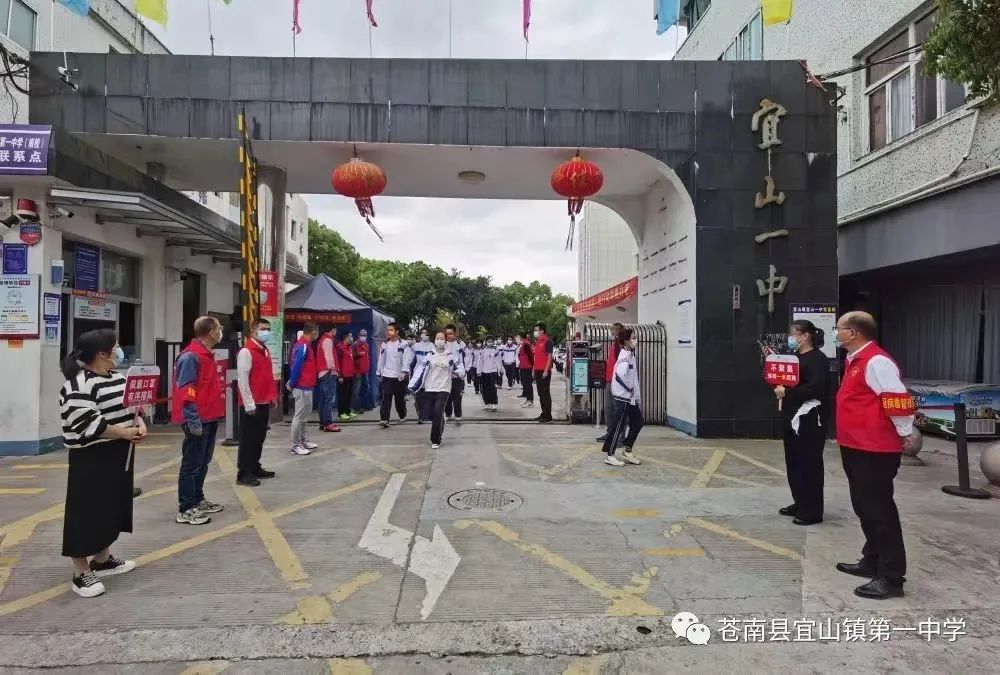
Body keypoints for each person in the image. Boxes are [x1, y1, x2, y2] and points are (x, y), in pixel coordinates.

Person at [833, 311, 915, 600]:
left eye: (839, 328)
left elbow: (898, 400)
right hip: (855, 446)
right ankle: (872, 560)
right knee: (864, 507)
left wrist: (904, 432)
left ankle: (891, 577)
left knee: (879, 511)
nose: (836, 332)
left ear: (853, 333)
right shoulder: (854, 360)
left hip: (875, 449)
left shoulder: (877, 361)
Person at [59, 329, 144, 598]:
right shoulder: (78, 384)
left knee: (111, 507)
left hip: (118, 453)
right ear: (102, 354)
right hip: (91, 457)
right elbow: (87, 424)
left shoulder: (117, 377)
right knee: (85, 512)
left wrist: (138, 425)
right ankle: (80, 572)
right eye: (116, 347)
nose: (119, 351)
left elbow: (132, 408)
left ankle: (103, 559)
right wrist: (124, 433)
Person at [773, 320, 830, 526]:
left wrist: (788, 392)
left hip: (811, 419)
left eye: (793, 334)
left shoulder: (818, 360)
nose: (791, 338)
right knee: (794, 462)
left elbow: (815, 389)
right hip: (792, 417)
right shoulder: (794, 358)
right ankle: (800, 502)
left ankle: (812, 511)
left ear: (805, 336)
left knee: (809, 464)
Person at [172, 316, 227, 525]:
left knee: (203, 462)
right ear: (210, 331)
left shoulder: (206, 355)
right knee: (191, 464)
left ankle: (197, 499)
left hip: (209, 417)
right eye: (219, 328)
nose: (221, 331)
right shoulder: (191, 357)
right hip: (197, 419)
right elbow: (187, 391)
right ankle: (186, 508)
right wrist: (193, 420)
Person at [235, 318, 279, 487]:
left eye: (268, 329)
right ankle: (243, 472)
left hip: (263, 401)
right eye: (262, 329)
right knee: (248, 439)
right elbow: (243, 379)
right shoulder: (247, 352)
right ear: (253, 331)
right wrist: (249, 403)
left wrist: (272, 396)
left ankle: (254, 466)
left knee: (259, 437)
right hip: (251, 404)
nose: (266, 332)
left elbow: (268, 376)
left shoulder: (264, 350)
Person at [409, 331, 466, 448]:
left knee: (438, 412)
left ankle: (435, 440)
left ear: (445, 341)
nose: (439, 340)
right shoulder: (430, 355)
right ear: (435, 340)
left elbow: (461, 368)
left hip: (444, 388)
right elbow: (420, 370)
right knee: (433, 414)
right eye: (437, 338)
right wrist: (412, 385)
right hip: (430, 388)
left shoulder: (450, 355)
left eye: (441, 338)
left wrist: (457, 373)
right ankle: (440, 425)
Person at [602, 328, 644, 466]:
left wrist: (636, 396)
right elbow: (620, 376)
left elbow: (633, 378)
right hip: (623, 398)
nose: (635, 340)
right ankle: (610, 455)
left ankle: (627, 449)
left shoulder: (630, 355)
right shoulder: (624, 356)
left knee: (638, 422)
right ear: (626, 340)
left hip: (630, 398)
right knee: (619, 426)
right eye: (633, 338)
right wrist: (629, 389)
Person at [287, 323, 320, 456]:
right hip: (301, 386)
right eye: (317, 331)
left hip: (307, 386)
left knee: (305, 416)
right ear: (312, 331)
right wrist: (292, 382)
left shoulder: (306, 345)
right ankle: (295, 445)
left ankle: (302, 440)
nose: (317, 334)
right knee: (299, 416)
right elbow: (296, 365)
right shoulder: (303, 346)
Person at [376, 322, 412, 428]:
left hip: (399, 376)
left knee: (399, 400)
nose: (389, 332)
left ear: (397, 332)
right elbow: (381, 359)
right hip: (387, 375)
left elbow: (407, 359)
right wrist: (379, 372)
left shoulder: (404, 344)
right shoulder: (385, 344)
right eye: (388, 330)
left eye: (391, 330)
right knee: (386, 397)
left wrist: (404, 371)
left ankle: (402, 415)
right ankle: (384, 419)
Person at [597, 322, 625, 442]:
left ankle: (620, 436)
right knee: (608, 409)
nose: (611, 332)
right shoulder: (614, 344)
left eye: (614, 330)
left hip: (617, 381)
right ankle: (610, 433)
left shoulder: (621, 344)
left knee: (618, 409)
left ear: (619, 331)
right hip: (609, 380)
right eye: (611, 330)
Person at [314, 325, 341, 433]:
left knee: (323, 399)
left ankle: (323, 422)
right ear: (333, 329)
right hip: (328, 373)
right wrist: (332, 369)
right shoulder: (328, 340)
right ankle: (328, 423)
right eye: (335, 329)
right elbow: (329, 356)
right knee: (329, 399)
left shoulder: (322, 339)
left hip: (322, 373)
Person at [443, 324, 467, 424]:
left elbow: (465, 359)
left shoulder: (461, 344)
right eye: (447, 333)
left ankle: (458, 416)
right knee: (446, 396)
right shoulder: (442, 344)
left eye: (451, 333)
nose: (449, 335)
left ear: (455, 333)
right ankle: (448, 414)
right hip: (444, 374)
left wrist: (462, 372)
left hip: (457, 373)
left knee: (457, 396)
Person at [411, 330, 435, 423]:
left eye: (428, 334)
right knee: (419, 397)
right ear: (421, 335)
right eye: (424, 334)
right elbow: (411, 361)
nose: (426, 335)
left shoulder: (433, 346)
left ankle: (428, 415)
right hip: (418, 374)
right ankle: (421, 416)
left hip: (429, 374)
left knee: (429, 396)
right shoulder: (415, 346)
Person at [532, 323, 554, 423]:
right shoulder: (537, 342)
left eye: (536, 330)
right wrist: (533, 369)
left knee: (545, 393)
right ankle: (543, 413)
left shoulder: (548, 341)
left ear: (542, 331)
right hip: (537, 370)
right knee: (540, 393)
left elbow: (550, 357)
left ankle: (548, 416)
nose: (535, 332)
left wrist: (546, 370)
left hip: (544, 371)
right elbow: (536, 357)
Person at [335, 331, 356, 421]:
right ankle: (341, 413)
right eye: (350, 337)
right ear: (345, 338)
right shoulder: (340, 348)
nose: (351, 338)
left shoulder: (349, 348)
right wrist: (339, 376)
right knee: (343, 395)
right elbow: (337, 362)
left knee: (349, 394)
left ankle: (347, 411)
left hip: (350, 375)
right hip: (343, 376)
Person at [479, 338, 502, 412]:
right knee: (485, 388)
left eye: (491, 341)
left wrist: (500, 370)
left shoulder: (496, 351)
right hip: (484, 371)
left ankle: (493, 403)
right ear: (486, 342)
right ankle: (487, 403)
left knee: (492, 387)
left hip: (493, 371)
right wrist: (479, 371)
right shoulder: (482, 351)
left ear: (493, 342)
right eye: (488, 341)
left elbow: (499, 361)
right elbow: (480, 361)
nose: (489, 343)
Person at [352, 329, 372, 413]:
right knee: (356, 389)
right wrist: (358, 356)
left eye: (365, 335)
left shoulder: (366, 345)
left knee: (366, 388)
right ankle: (356, 408)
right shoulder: (354, 345)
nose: (363, 336)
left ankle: (365, 405)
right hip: (357, 371)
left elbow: (367, 357)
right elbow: (352, 357)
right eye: (362, 335)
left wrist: (367, 367)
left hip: (365, 370)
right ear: (358, 335)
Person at [517, 332, 535, 407]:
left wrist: (531, 366)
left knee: (528, 384)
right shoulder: (523, 344)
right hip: (523, 366)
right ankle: (527, 400)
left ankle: (530, 401)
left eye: (518, 336)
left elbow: (530, 356)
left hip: (527, 367)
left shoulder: (526, 344)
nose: (518, 338)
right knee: (525, 384)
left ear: (521, 337)